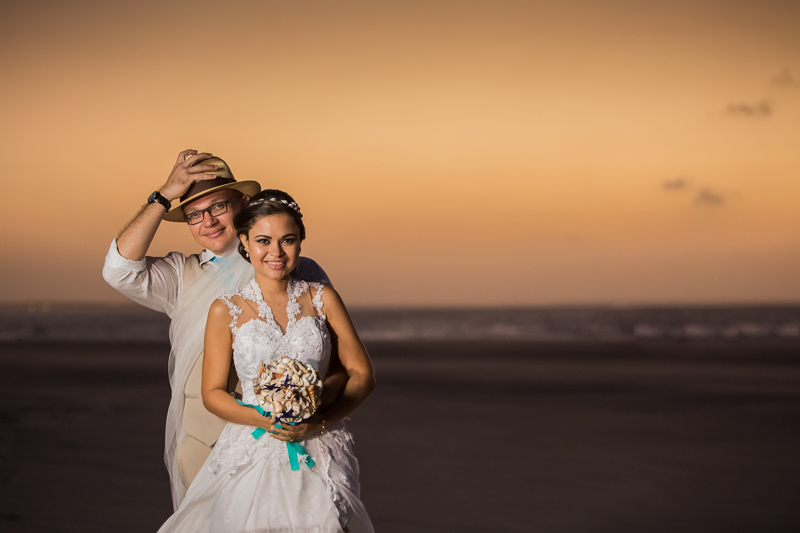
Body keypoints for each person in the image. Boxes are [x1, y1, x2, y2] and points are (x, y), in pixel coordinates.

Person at [102, 150, 344, 509]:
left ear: (243, 203)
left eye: (217, 207)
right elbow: (118, 270)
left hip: (284, 444)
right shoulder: (180, 276)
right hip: (204, 442)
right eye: (193, 215)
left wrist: (311, 415)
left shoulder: (298, 269)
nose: (208, 222)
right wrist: (164, 195)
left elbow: (333, 362)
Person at [156, 190, 375, 532]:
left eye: (287, 240)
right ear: (244, 241)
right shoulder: (225, 309)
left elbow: (362, 374)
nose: (275, 252)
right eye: (263, 240)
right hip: (251, 444)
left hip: (320, 443)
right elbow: (213, 392)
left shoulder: (323, 298)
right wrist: (265, 420)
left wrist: (317, 421)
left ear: (301, 242)